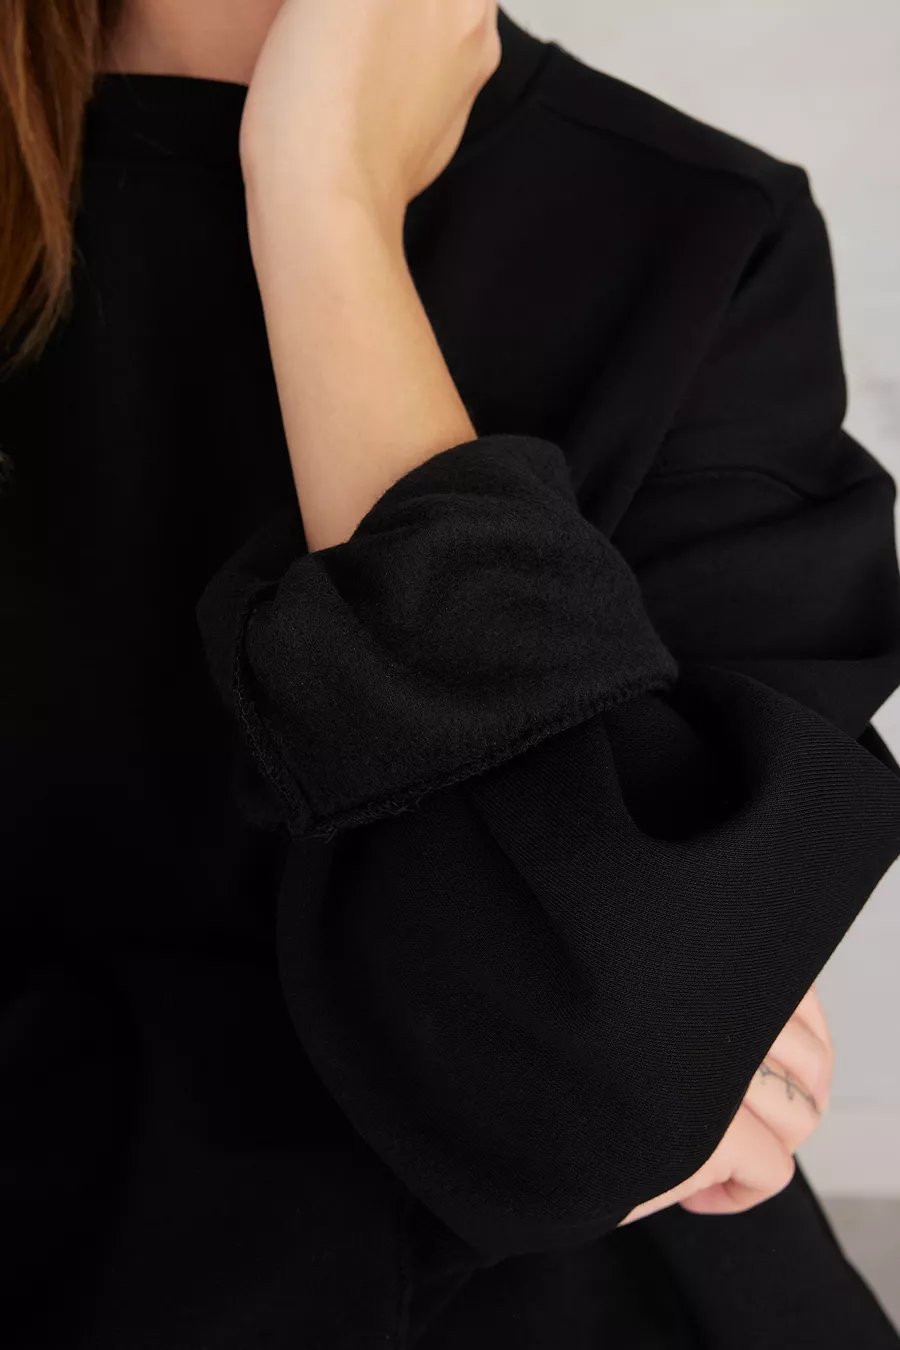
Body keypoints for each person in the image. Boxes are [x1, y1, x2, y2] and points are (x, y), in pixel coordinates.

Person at [1, 0, 899, 1345]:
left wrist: (322, 203)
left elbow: (587, 1087)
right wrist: (545, 1066)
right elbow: (596, 1081)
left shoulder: (698, 230)